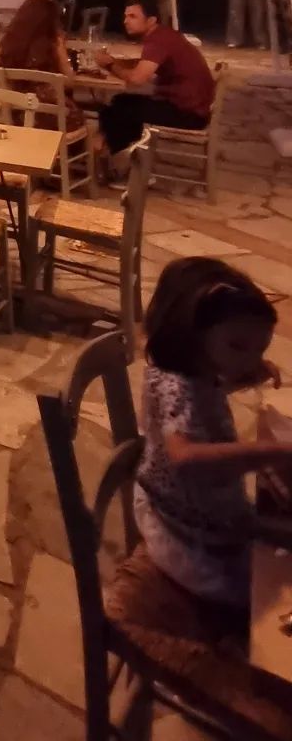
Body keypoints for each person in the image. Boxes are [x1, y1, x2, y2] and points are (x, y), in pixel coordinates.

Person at [134, 257, 290, 611]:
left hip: (172, 506)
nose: (250, 360)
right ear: (193, 334)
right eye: (238, 346)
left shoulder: (179, 366)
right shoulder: (179, 386)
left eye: (259, 349)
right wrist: (271, 451)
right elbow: (185, 458)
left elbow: (195, 403)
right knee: (271, 588)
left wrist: (242, 374)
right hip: (190, 539)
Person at [95, 0, 216, 175]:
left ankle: (126, 168)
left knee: (117, 111)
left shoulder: (158, 40)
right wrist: (115, 62)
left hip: (188, 113)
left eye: (133, 16)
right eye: (125, 16)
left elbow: (137, 79)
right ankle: (128, 160)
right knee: (121, 102)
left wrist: (110, 65)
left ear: (151, 20)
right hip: (193, 107)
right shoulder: (163, 35)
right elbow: (144, 64)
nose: (126, 21)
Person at [0, 0, 85, 131]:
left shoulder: (6, 43)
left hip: (18, 115)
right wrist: (63, 49)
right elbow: (69, 82)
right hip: (52, 117)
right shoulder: (53, 43)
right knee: (83, 120)